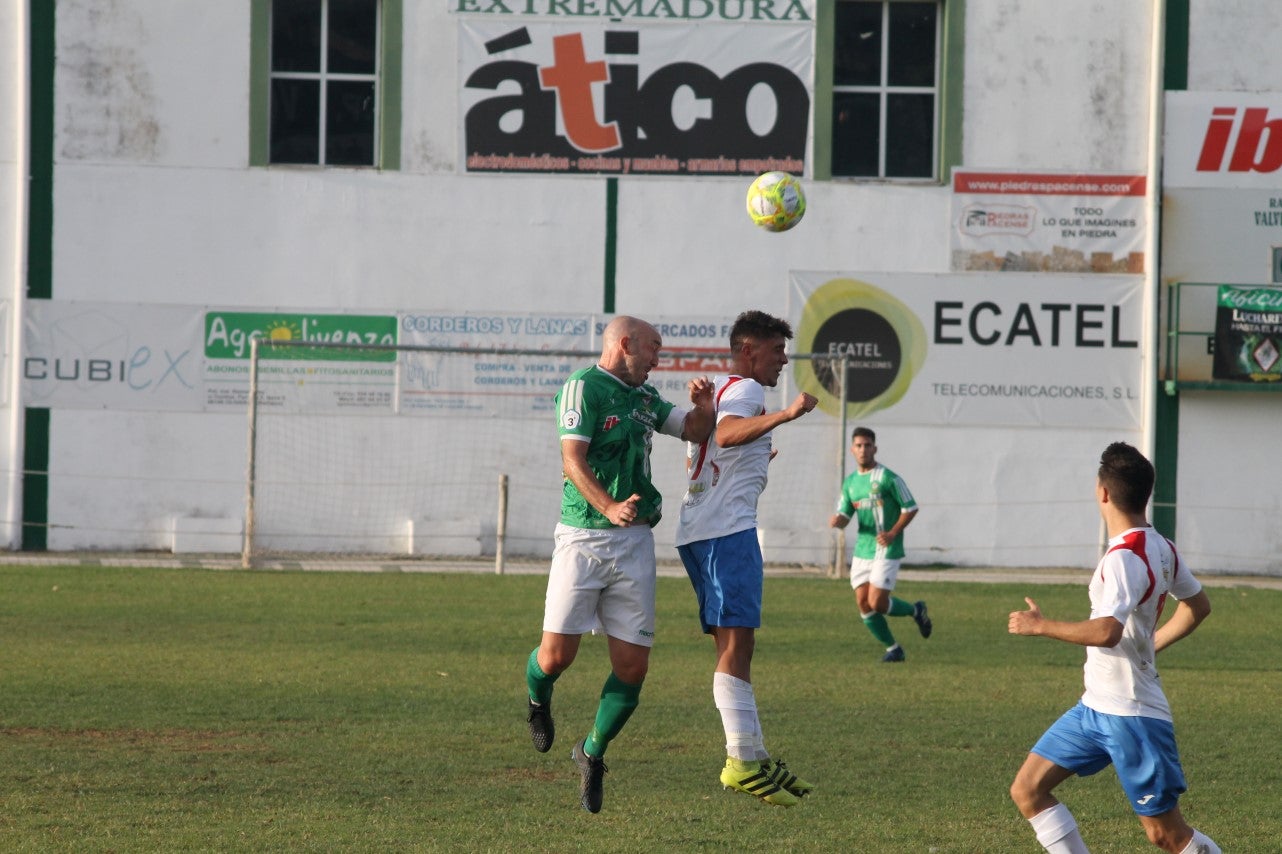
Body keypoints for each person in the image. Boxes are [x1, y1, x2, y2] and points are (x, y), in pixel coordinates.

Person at [523, 315, 715, 814]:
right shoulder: (582, 389)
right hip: (583, 538)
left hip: (633, 545)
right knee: (556, 658)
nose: (658, 360)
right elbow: (572, 460)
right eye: (653, 349)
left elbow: (692, 428)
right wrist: (608, 506)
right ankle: (538, 700)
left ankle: (591, 753)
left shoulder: (646, 399)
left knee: (633, 668)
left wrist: (704, 407)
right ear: (625, 344)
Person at [1007, 442, 1220, 854]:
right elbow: (1198, 607)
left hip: (1133, 714)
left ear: (1103, 492)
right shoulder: (1162, 547)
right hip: (1095, 707)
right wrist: (1150, 644)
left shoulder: (1123, 558)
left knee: (1167, 836)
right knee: (1028, 789)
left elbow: (1106, 631)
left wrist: (1040, 626)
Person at [674, 310, 819, 808]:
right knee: (736, 646)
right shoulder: (748, 391)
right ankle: (739, 761)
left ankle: (755, 754)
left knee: (737, 647)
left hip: (708, 533)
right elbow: (730, 434)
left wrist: (759, 450)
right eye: (777, 350)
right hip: (724, 534)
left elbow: (719, 443)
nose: (783, 360)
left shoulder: (722, 387)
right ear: (748, 350)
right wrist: (785, 415)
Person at [829, 426, 931, 662]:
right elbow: (845, 518)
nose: (863, 450)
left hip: (887, 548)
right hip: (863, 550)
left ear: (875, 448)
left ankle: (916, 610)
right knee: (864, 604)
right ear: (852, 450)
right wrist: (838, 521)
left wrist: (894, 532)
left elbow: (910, 507)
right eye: (858, 446)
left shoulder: (888, 477)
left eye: (867, 445)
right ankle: (893, 649)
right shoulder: (850, 483)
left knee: (878, 602)